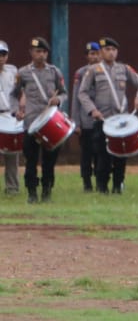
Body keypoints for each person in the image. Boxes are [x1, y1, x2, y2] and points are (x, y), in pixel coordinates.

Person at [79, 36, 138, 194]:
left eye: (114, 50)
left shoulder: (124, 68)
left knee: (121, 154)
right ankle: (102, 187)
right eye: (107, 50)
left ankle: (118, 185)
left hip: (122, 119)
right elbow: (82, 93)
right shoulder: (93, 70)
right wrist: (92, 110)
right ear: (101, 52)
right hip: (103, 120)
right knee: (103, 154)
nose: (111, 53)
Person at [10, 37, 66, 203]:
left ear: (47, 53)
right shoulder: (23, 73)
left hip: (50, 122)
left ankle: (47, 191)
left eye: (44, 52)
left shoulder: (54, 71)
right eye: (37, 52)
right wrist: (16, 111)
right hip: (31, 123)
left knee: (49, 161)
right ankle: (32, 192)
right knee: (31, 160)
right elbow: (13, 95)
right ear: (31, 53)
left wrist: (59, 100)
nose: (41, 55)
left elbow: (64, 92)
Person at [71, 42, 103, 192]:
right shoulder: (80, 73)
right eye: (91, 54)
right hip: (86, 121)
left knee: (100, 153)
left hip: (102, 119)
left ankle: (100, 181)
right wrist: (76, 122)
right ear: (86, 56)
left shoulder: (106, 72)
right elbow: (76, 99)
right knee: (86, 154)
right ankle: (87, 183)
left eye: (96, 53)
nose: (94, 57)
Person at [0, 40, 18, 195]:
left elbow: (19, 93)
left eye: (3, 54)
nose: (1, 57)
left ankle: (12, 188)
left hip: (9, 115)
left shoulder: (13, 71)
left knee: (12, 152)